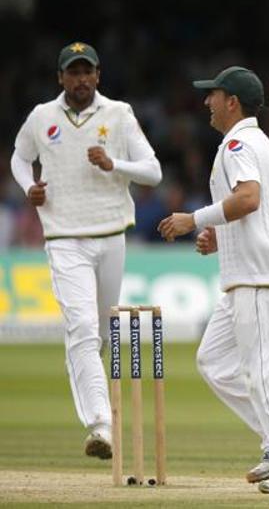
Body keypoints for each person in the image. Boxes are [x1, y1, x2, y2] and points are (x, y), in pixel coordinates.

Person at [157, 66, 269, 494]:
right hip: (247, 273)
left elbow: (249, 199)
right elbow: (257, 208)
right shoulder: (253, 143)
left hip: (260, 275)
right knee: (214, 363)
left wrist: (192, 219)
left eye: (212, 95)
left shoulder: (237, 143)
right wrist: (222, 236)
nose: (206, 103)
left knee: (261, 373)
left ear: (231, 101)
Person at [9, 42, 162, 459]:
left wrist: (116, 164)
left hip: (111, 235)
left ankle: (93, 400)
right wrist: (29, 188)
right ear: (60, 77)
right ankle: (101, 426)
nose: (80, 79)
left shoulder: (119, 114)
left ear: (98, 75)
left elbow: (153, 171)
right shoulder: (41, 117)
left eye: (86, 71)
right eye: (72, 72)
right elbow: (20, 160)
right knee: (82, 329)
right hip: (64, 237)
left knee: (97, 335)